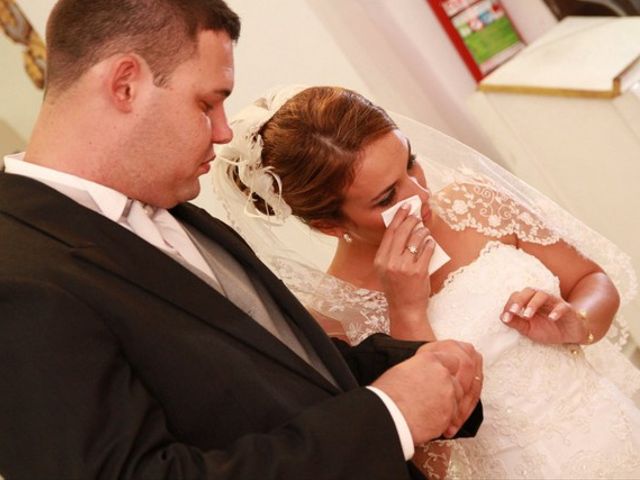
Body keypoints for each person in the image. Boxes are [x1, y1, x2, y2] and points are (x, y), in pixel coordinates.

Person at [0, 2, 484, 479]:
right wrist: (389, 414)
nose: (223, 130)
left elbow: (274, 370)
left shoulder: (170, 205)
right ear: (125, 84)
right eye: (207, 103)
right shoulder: (17, 274)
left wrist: (413, 365)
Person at [214, 85, 640, 479]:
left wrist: (576, 322)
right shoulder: (333, 319)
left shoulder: (473, 202)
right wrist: (408, 312)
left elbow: (592, 279)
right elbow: (428, 468)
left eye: (411, 162)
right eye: (387, 197)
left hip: (621, 429)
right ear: (329, 225)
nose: (420, 193)